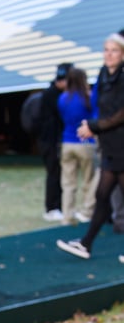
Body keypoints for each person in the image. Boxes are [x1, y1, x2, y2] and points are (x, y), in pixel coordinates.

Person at [57, 32, 124, 260]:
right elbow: (100, 106)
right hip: (110, 145)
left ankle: (86, 243)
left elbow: (120, 115)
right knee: (102, 194)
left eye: (114, 50)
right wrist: (92, 125)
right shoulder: (104, 75)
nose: (109, 54)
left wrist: (94, 126)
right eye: (106, 50)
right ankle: (85, 244)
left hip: (122, 145)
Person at [57, 67, 97, 224]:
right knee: (89, 179)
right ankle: (87, 211)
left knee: (68, 183)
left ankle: (67, 215)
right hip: (85, 142)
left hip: (67, 142)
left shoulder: (63, 98)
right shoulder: (88, 97)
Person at [37, 62, 72, 221]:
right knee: (54, 173)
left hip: (56, 140)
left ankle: (59, 206)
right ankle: (51, 208)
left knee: (60, 174)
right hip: (50, 141)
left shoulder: (59, 94)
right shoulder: (52, 95)